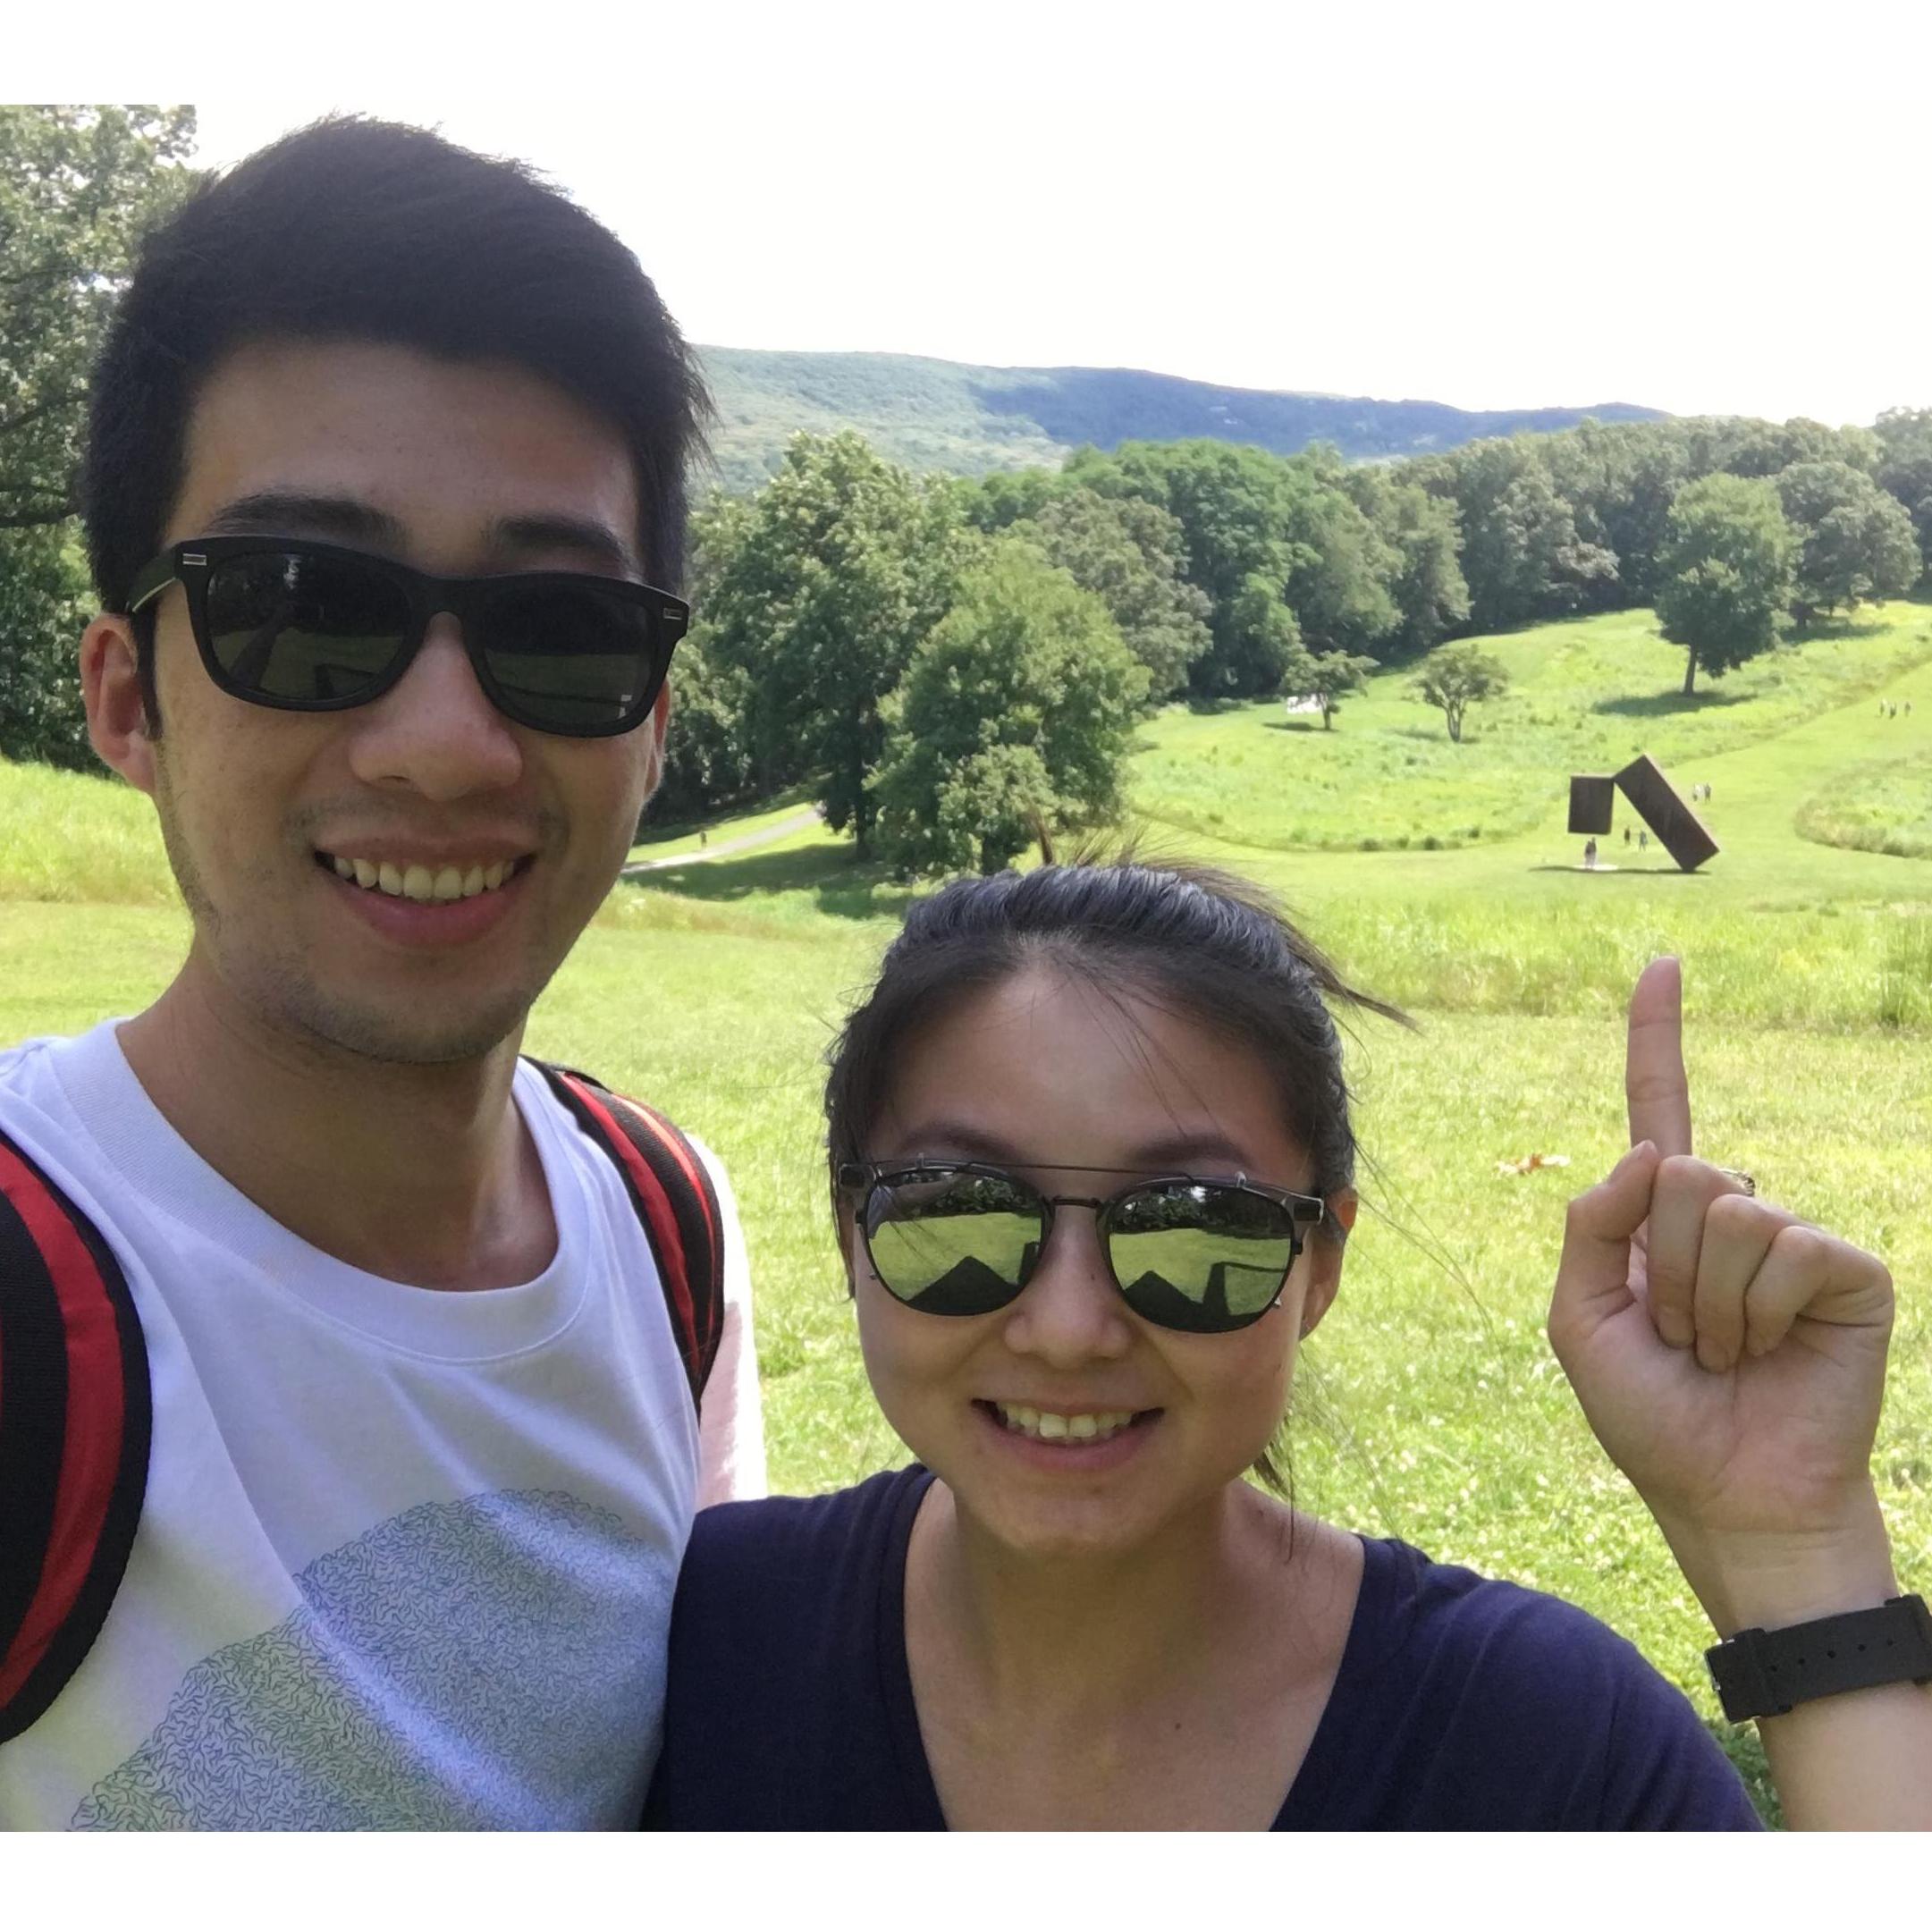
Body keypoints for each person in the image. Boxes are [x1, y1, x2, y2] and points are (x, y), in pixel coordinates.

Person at [0, 119, 764, 1830]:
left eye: (560, 630)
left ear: (651, 723)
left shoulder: (667, 1227)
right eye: (302, 605)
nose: (443, 745)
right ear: (126, 697)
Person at [647, 861, 1929, 1829]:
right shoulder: (695, 1644)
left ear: (1320, 1265)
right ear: (848, 1231)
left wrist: (1793, 1555)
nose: (1069, 1328)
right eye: (960, 1211)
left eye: (1196, 1225)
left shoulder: (1539, 1751)